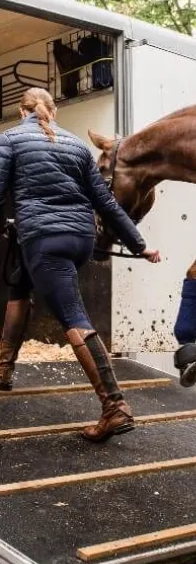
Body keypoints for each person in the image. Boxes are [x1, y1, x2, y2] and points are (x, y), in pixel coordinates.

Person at [0, 88, 160, 442]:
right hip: (79, 240)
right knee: (20, 282)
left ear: (22, 110)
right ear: (52, 111)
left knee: (73, 317)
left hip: (44, 238)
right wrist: (139, 244)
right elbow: (105, 201)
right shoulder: (76, 146)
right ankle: (4, 368)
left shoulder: (10, 139)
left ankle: (115, 407)